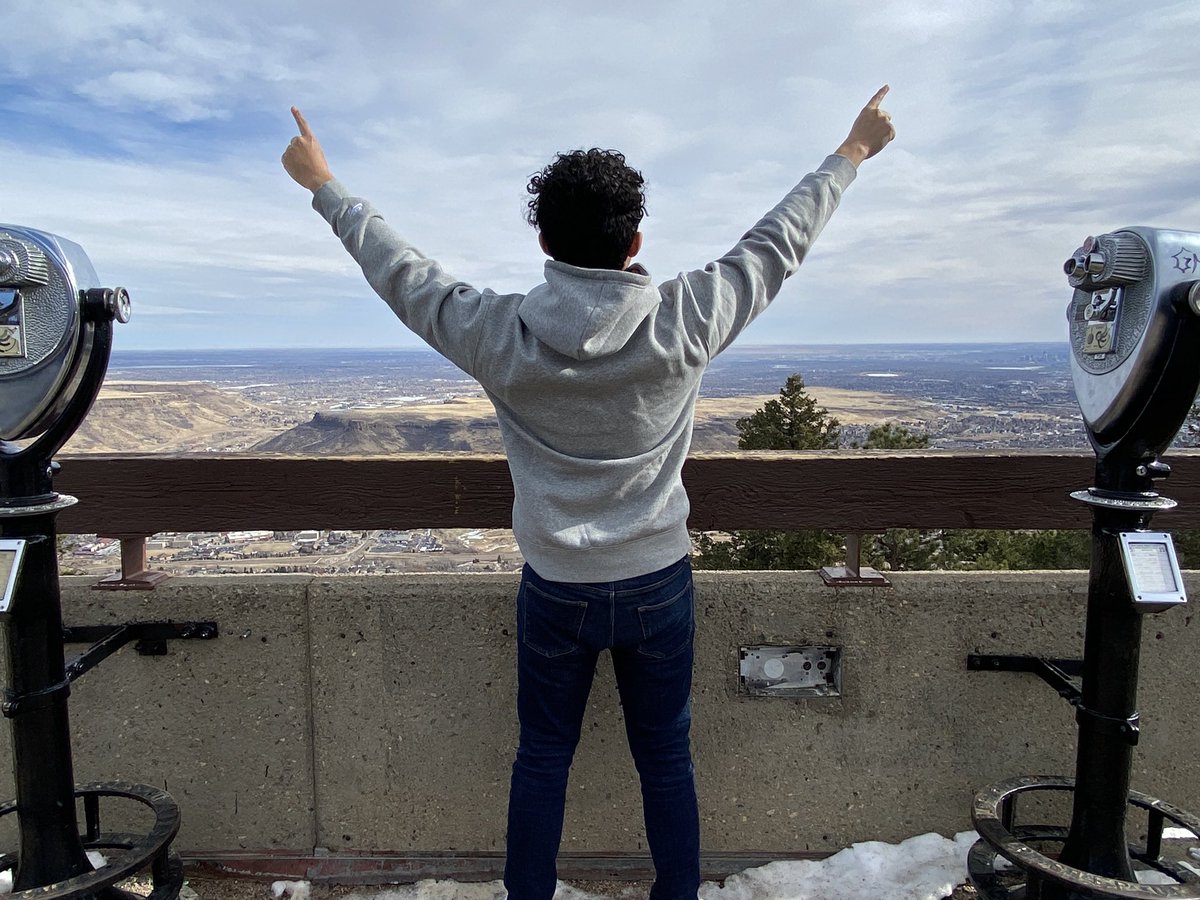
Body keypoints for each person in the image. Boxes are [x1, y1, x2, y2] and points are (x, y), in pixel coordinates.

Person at [281, 87, 894, 900]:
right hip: (657, 582)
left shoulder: (499, 333)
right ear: (636, 238)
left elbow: (404, 274)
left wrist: (326, 186)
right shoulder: (686, 319)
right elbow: (774, 246)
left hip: (557, 588)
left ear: (543, 241)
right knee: (666, 760)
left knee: (542, 758)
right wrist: (850, 152)